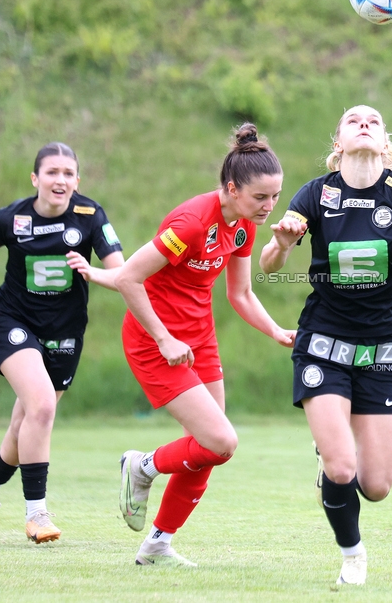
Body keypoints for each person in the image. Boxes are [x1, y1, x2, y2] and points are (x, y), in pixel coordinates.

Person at [259, 105, 392, 585]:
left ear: (385, 142)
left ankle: (334, 471)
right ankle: (353, 556)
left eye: (373, 121)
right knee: (341, 467)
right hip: (322, 341)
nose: (363, 123)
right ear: (337, 142)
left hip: (381, 348)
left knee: (375, 485)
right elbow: (268, 266)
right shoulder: (315, 194)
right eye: (353, 119)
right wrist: (281, 242)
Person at [116, 123, 295, 567]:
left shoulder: (243, 225)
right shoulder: (192, 223)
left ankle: (157, 545)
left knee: (206, 452)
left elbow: (241, 294)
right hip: (155, 339)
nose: (269, 207)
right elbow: (127, 278)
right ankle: (142, 466)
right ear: (232, 189)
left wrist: (275, 330)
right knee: (220, 441)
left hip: (199, 339)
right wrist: (163, 337)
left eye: (275, 197)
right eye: (260, 198)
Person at [0, 142, 125, 544]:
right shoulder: (10, 218)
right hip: (12, 323)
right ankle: (37, 514)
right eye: (52, 172)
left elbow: (121, 273)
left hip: (66, 333)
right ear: (35, 178)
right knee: (41, 406)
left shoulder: (90, 215)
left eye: (69, 173)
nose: (61, 180)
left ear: (77, 181)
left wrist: (92, 271)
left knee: (26, 423)